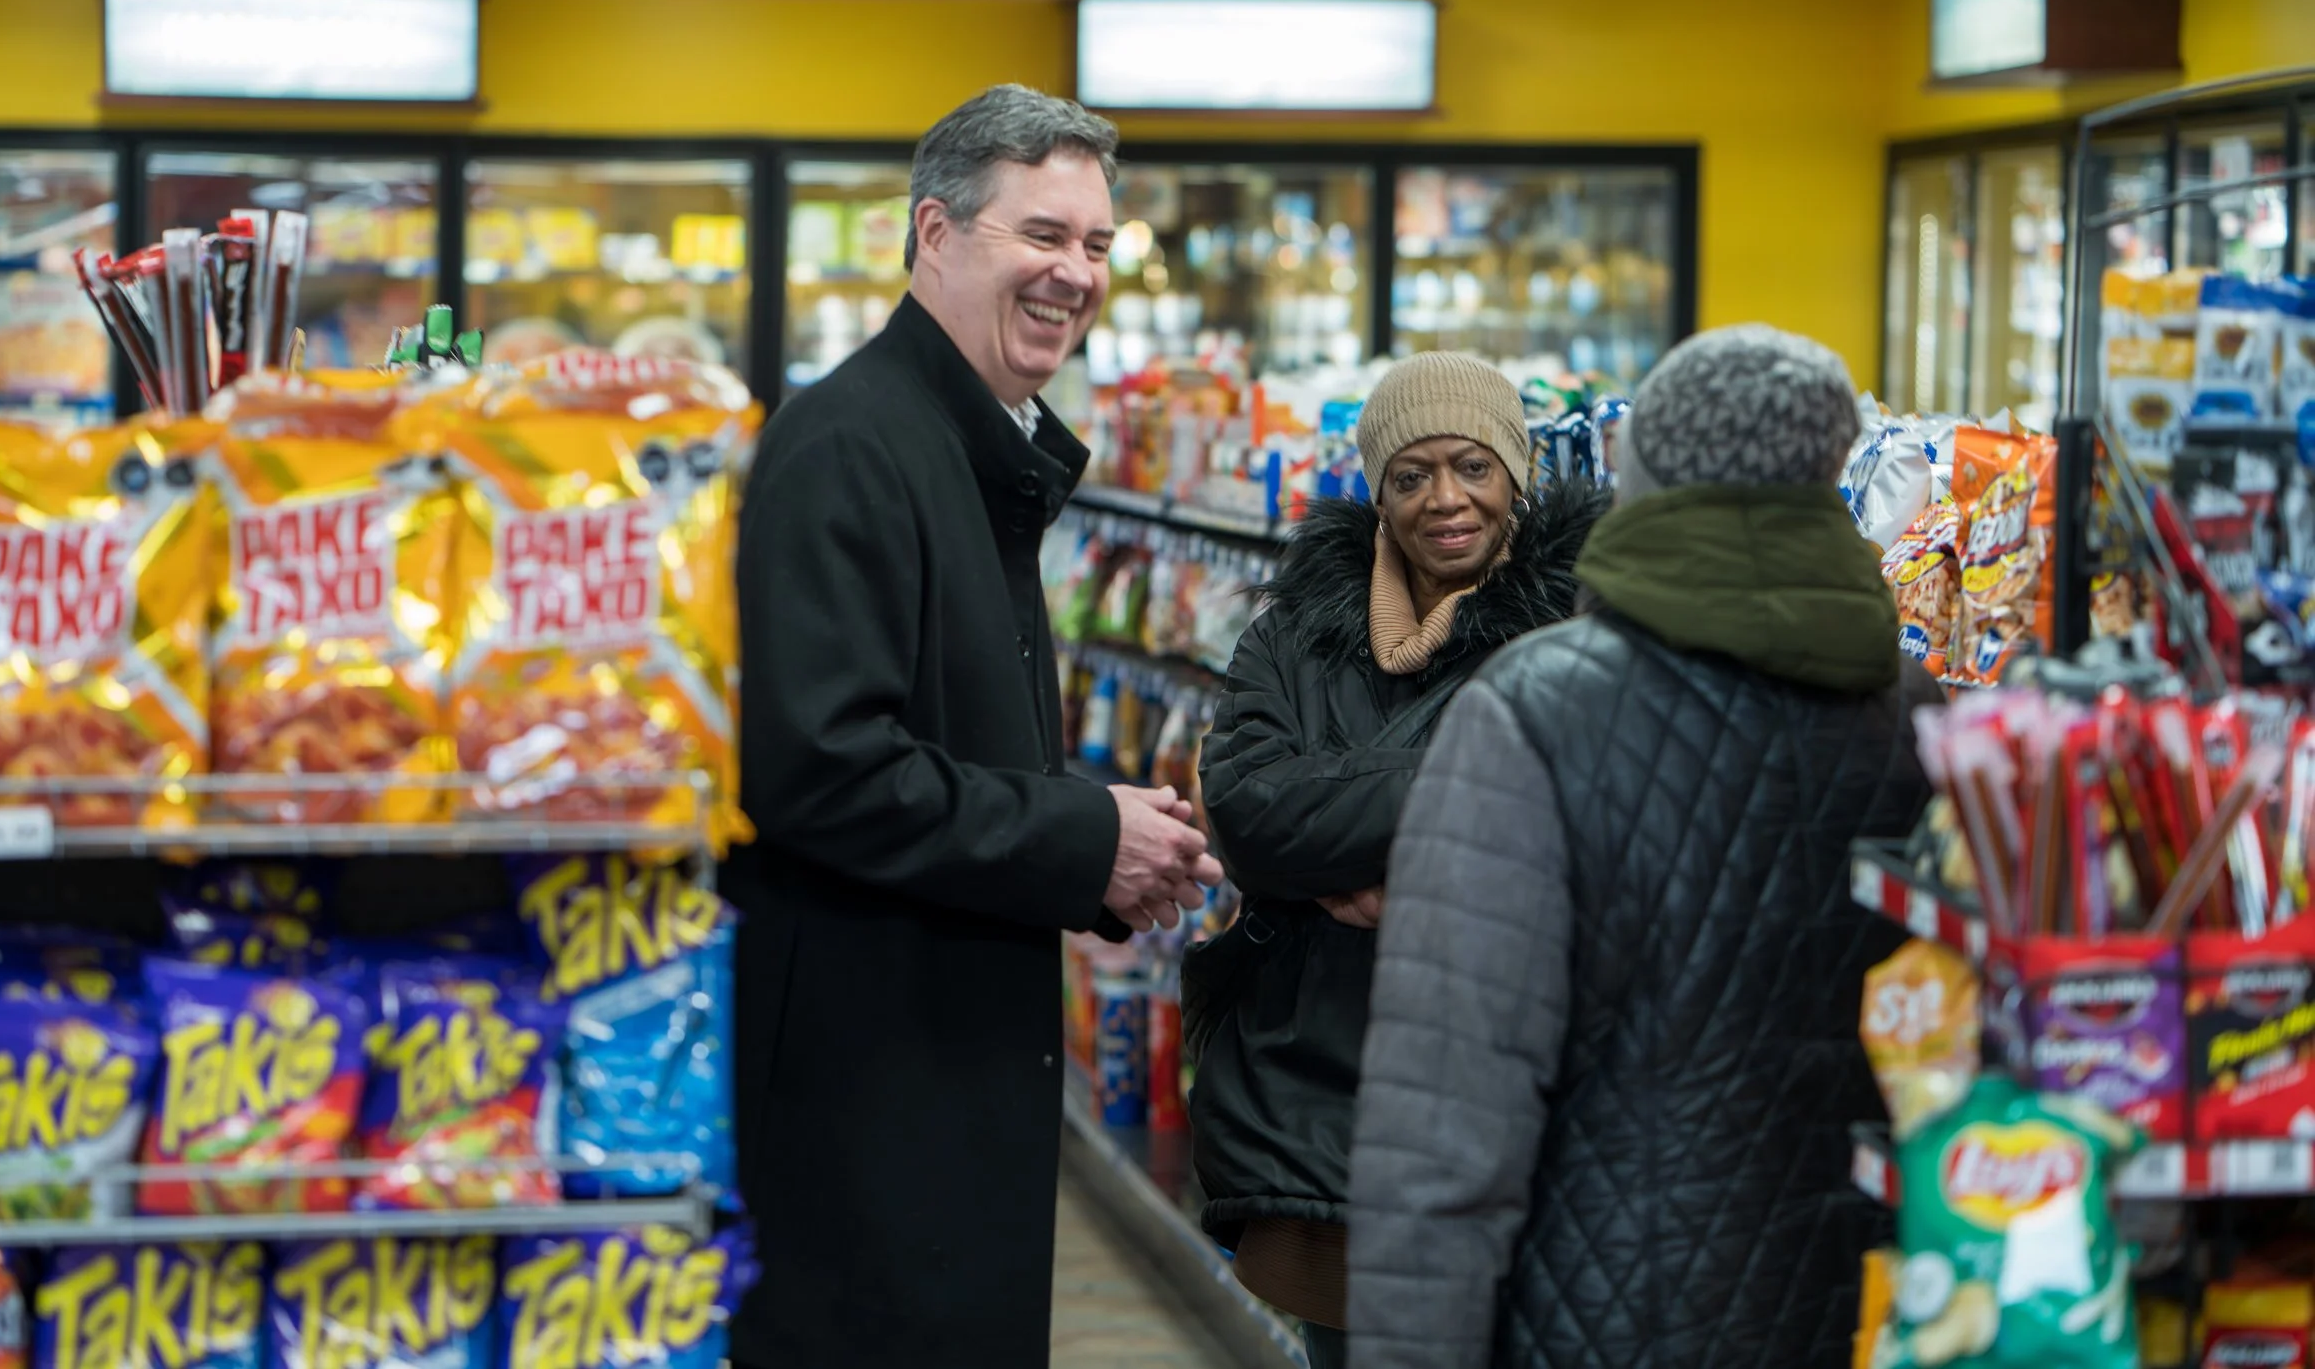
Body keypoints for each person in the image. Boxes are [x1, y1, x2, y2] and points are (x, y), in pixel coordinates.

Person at [726, 84, 1223, 1369]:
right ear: (935, 235)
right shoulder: (851, 446)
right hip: (870, 1087)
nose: (1075, 274)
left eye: (1098, 244)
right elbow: (820, 769)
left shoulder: (963, 441)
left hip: (935, 1065)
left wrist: (1112, 848)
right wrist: (1077, 835)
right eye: (1042, 236)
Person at [1347, 324, 1937, 1369]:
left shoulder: (1535, 711)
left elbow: (1444, 1129)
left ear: (1637, 472)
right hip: (1876, 1304)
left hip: (1608, 1313)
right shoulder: (1920, 714)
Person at [1187, 354, 1606, 1369]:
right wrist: (1473, 793)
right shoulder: (1294, 629)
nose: (1445, 497)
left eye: (1472, 464)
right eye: (1411, 474)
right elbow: (1247, 815)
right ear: (1376, 488)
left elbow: (1584, 819)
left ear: (1517, 473)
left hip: (1515, 1090)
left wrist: (1368, 844)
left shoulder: (1584, 622)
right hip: (1325, 1103)